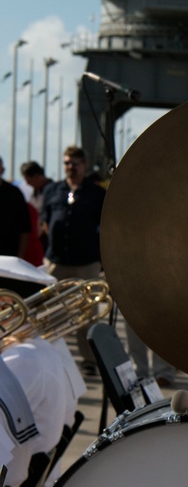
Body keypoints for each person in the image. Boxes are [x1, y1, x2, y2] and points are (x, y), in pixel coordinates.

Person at [39, 146, 105, 372]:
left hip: (86, 263)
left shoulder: (96, 194)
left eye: (75, 163)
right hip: (56, 261)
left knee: (87, 315)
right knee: (50, 313)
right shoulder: (53, 190)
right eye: (67, 162)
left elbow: (104, 227)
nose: (70, 167)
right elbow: (44, 222)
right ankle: (51, 356)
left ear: (84, 165)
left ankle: (89, 360)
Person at [19, 160, 51, 265]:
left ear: (38, 176)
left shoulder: (53, 191)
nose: (27, 183)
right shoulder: (36, 191)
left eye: (29, 180)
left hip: (48, 243)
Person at [0, 157, 31, 259]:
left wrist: (20, 257)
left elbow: (25, 228)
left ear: (2, 169)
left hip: (9, 257)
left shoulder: (14, 193)